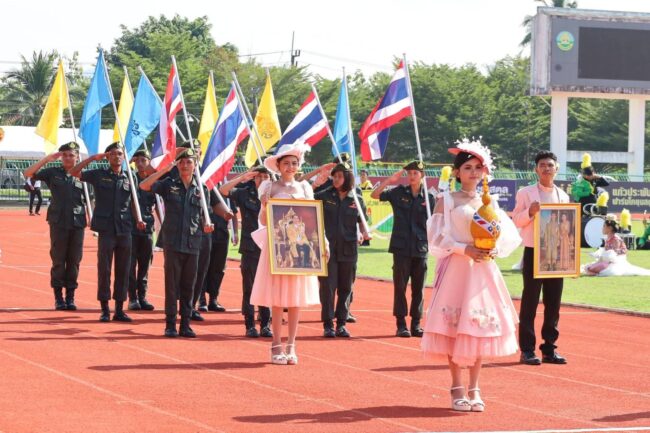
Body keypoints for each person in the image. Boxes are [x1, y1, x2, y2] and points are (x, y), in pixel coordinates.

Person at [422, 140, 521, 412]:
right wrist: (463, 248)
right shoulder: (446, 200)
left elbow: (506, 235)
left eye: (478, 167)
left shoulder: (489, 202)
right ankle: (457, 387)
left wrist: (492, 249)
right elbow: (436, 238)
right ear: (457, 172)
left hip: (482, 270)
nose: (474, 172)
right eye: (467, 168)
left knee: (479, 327)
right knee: (454, 328)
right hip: (456, 268)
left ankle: (475, 387)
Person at [140, 148, 232, 337]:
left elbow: (203, 215)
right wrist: (165, 170)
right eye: (181, 162)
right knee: (172, 285)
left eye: (189, 162)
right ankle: (170, 324)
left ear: (195, 165)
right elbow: (144, 185)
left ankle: (186, 324)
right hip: (173, 242)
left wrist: (207, 224)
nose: (185, 165)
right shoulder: (169, 184)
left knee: (189, 285)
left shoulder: (202, 189)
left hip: (193, 242)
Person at [250, 142, 324, 365]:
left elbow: (313, 219)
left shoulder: (305, 188)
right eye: (287, 163)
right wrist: (265, 206)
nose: (290, 167)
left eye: (294, 163)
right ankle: (276, 345)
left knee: (295, 298)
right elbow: (263, 221)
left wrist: (324, 243)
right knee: (277, 297)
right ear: (279, 165)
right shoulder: (269, 187)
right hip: (278, 248)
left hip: (301, 248)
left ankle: (291, 344)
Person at [70, 142, 141, 322]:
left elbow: (133, 202)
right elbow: (74, 172)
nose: (117, 156)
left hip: (125, 228)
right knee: (105, 269)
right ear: (108, 156)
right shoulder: (99, 174)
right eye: (114, 153)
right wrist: (93, 158)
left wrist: (138, 219)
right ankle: (104, 309)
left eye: (120, 154)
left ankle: (119, 309)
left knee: (124, 269)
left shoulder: (130, 176)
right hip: (106, 229)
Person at [512, 150, 570, 365]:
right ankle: (527, 350)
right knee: (530, 301)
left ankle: (549, 348)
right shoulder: (525, 193)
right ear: (536, 169)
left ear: (557, 168)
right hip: (534, 250)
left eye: (550, 165)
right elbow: (516, 220)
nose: (547, 168)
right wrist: (530, 212)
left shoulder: (563, 196)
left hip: (556, 253)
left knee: (553, 303)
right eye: (542, 165)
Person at [371, 160, 434, 338]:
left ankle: (416, 324)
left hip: (420, 248)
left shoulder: (429, 198)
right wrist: (389, 180)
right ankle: (401, 324)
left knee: (419, 289)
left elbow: (434, 222)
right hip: (401, 248)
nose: (412, 176)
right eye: (409, 173)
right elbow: (375, 195)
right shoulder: (398, 192)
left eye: (415, 173)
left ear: (422, 175)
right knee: (400, 287)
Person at [24, 142, 86, 310]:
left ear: (77, 157)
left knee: (74, 261)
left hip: (78, 223)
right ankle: (58, 297)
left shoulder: (83, 174)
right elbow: (27, 173)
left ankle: (70, 297)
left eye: (71, 155)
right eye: (64, 155)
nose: (68, 158)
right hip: (58, 222)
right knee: (58, 260)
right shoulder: (53, 172)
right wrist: (47, 159)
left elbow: (91, 199)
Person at [314, 162, 369, 338]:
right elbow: (307, 201)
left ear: (347, 178)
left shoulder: (356, 199)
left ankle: (342, 323)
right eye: (334, 176)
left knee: (346, 288)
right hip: (328, 249)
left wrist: (363, 233)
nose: (336, 180)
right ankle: (328, 324)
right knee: (327, 287)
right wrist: (315, 183)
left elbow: (362, 221)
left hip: (349, 248)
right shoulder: (324, 195)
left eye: (339, 176)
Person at [221, 166, 273, 338]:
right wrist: (243, 176)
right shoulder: (245, 193)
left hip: (269, 248)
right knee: (249, 289)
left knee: (267, 288)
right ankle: (250, 325)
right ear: (254, 178)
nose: (262, 180)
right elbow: (224, 190)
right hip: (250, 248)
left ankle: (266, 324)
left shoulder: (275, 194)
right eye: (259, 177)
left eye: (266, 176)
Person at [198, 187, 237, 314]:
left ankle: (213, 299)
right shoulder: (204, 187)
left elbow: (233, 212)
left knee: (219, 268)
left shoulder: (225, 188)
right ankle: (201, 299)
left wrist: (235, 232)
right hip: (206, 232)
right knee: (203, 266)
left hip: (222, 232)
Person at [128, 149, 156, 311]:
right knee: (130, 264)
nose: (140, 163)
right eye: (137, 160)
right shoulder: (130, 178)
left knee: (145, 264)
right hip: (131, 227)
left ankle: (142, 297)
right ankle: (132, 298)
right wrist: (128, 161)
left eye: (143, 160)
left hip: (147, 227)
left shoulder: (154, 181)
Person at [583, 217, 650, 276]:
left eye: (604, 226)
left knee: (600, 266)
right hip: (609, 261)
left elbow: (614, 255)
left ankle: (595, 272)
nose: (602, 228)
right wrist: (599, 254)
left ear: (610, 228)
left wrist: (604, 256)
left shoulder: (616, 239)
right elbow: (607, 252)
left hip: (617, 261)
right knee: (590, 267)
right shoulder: (607, 238)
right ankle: (594, 271)